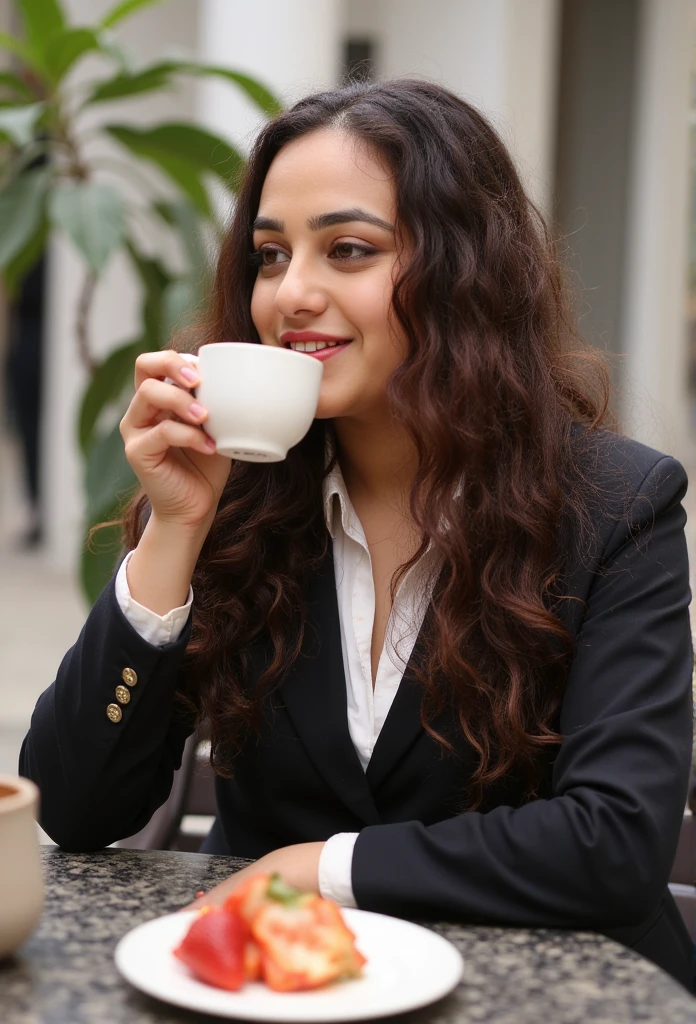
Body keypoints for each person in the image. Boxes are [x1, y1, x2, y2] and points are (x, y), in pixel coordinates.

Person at [20, 79, 694, 989]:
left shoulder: (614, 505)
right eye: (267, 256)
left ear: (465, 269)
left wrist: (323, 867)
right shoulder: (235, 499)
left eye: (348, 249)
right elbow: (74, 806)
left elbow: (612, 843)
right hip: (273, 990)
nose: (291, 293)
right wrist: (172, 536)